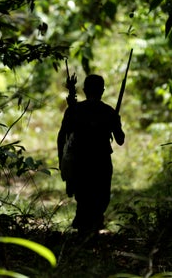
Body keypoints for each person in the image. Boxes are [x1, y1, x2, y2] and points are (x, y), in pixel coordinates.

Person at [57, 74, 125, 234]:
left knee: (84, 197)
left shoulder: (74, 110)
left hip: (81, 162)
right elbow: (120, 140)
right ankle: (88, 231)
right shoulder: (108, 112)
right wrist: (117, 122)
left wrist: (62, 160)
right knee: (99, 198)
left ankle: (87, 232)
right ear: (102, 91)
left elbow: (61, 137)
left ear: (85, 90)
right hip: (100, 162)